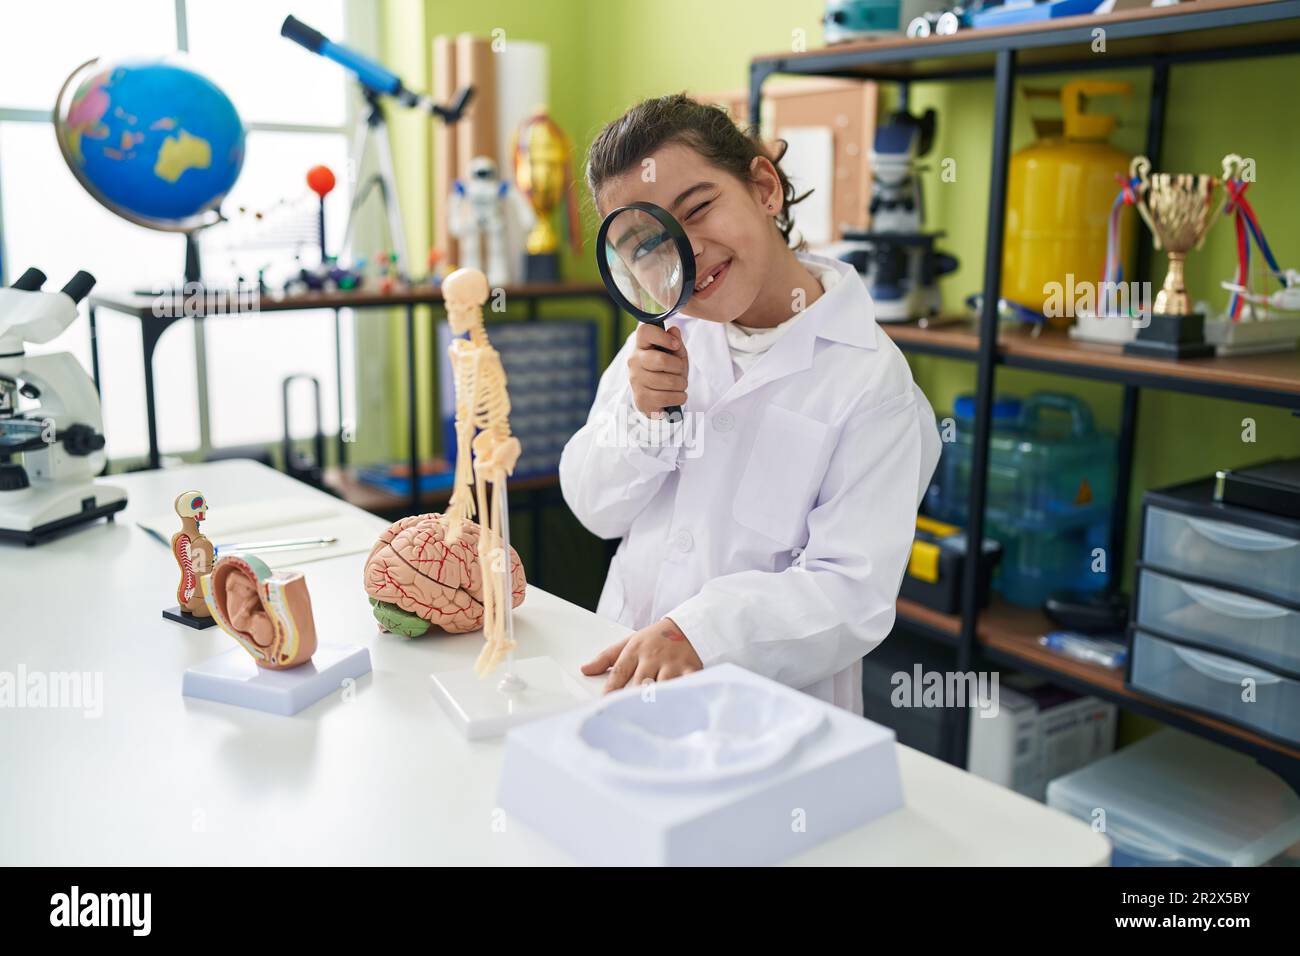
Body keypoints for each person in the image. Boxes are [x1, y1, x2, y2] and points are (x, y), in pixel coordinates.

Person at [559, 93, 942, 714]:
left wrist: (702, 632)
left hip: (770, 714)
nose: (687, 253)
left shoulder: (874, 386)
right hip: (624, 684)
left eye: (700, 207)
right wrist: (641, 422)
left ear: (765, 188)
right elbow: (592, 507)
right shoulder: (658, 345)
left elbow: (852, 593)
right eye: (646, 244)